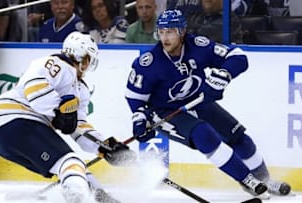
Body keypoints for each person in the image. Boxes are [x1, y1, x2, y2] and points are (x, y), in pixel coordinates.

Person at [125, 9, 292, 197]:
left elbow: (238, 56)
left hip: (198, 100)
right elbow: (134, 97)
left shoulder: (198, 45)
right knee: (203, 133)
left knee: (239, 138)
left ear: (182, 31)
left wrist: (224, 74)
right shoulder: (149, 63)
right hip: (164, 111)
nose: (165, 38)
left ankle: (265, 180)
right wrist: (139, 118)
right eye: (161, 32)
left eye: (170, 31)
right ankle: (246, 180)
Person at [0, 31, 134, 203]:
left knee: (73, 167)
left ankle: (101, 196)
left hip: (4, 136)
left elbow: (78, 127)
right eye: (87, 58)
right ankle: (76, 199)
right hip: (16, 120)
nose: (88, 64)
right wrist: (58, 111)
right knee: (70, 162)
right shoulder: (56, 64)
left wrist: (105, 146)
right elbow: (34, 88)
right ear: (79, 56)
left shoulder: (81, 89)